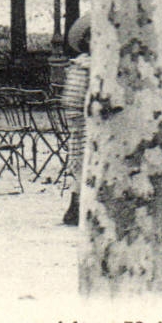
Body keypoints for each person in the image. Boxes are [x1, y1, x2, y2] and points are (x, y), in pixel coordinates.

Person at [57, 16, 91, 226]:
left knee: (80, 162)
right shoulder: (85, 66)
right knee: (82, 162)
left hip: (80, 119)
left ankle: (77, 206)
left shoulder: (81, 66)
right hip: (84, 120)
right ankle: (77, 206)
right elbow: (74, 100)